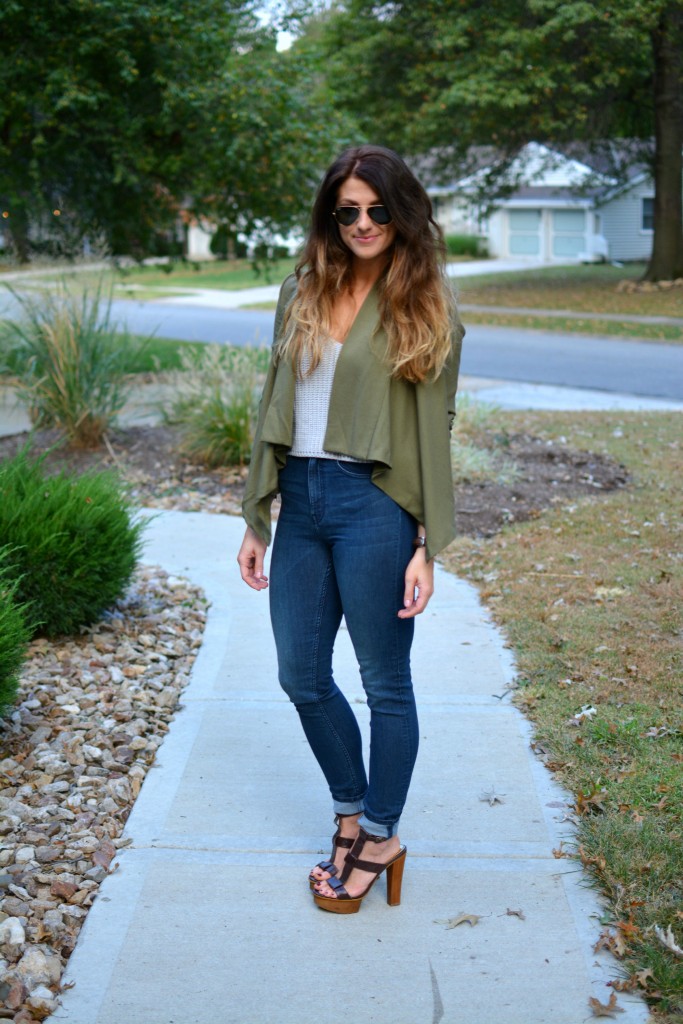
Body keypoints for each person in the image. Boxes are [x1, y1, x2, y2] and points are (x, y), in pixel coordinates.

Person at [237, 144, 464, 915]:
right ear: (330, 216)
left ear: (400, 213)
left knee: (383, 684)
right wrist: (256, 516)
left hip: (374, 504)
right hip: (300, 500)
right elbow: (273, 399)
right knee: (300, 673)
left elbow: (437, 426)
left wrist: (426, 545)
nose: (363, 223)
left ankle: (379, 832)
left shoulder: (424, 304)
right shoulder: (299, 289)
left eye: (376, 209)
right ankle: (348, 812)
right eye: (347, 211)